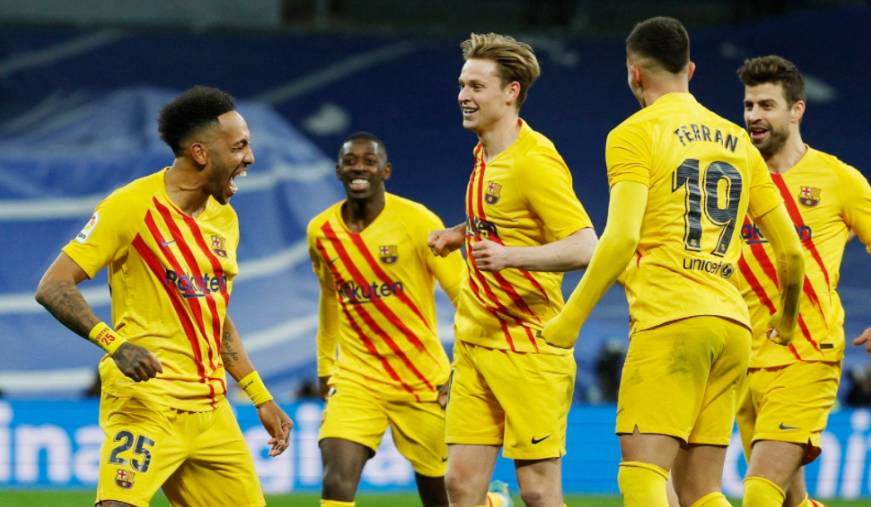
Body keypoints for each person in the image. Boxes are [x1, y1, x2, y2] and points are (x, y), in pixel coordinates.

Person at [542, 17, 805, 507]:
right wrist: (786, 322)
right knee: (700, 490)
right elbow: (791, 251)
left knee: (641, 476)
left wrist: (569, 321)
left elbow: (621, 238)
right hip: (732, 327)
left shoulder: (633, 134)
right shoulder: (739, 142)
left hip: (670, 321)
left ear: (634, 73)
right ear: (691, 69)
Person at [34, 86, 292, 507]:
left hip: (211, 413)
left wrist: (260, 396)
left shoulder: (225, 220)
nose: (250, 158)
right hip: (146, 403)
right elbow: (53, 286)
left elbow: (213, 317)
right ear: (200, 153)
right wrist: (115, 345)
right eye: (239, 146)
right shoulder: (130, 206)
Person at [429, 32, 598, 506]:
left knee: (538, 491)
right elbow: (505, 219)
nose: (463, 96)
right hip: (476, 341)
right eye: (462, 85)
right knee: (460, 485)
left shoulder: (535, 162)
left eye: (476, 86)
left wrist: (510, 257)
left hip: (529, 347)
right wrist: (460, 233)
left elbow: (586, 245)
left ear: (511, 92)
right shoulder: (484, 154)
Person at [308, 132, 512, 507]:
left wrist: (462, 368)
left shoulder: (417, 221)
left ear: (385, 171)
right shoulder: (320, 232)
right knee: (336, 481)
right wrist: (325, 365)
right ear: (338, 171)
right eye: (350, 161)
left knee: (443, 499)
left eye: (369, 161)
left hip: (422, 381)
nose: (359, 168)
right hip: (356, 380)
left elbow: (465, 295)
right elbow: (330, 298)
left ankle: (493, 503)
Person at [733, 55, 871, 507]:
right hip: (741, 358)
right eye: (749, 105)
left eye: (766, 105)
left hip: (807, 355)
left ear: (797, 110)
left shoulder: (839, 180)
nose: (754, 116)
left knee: (759, 492)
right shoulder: (733, 180)